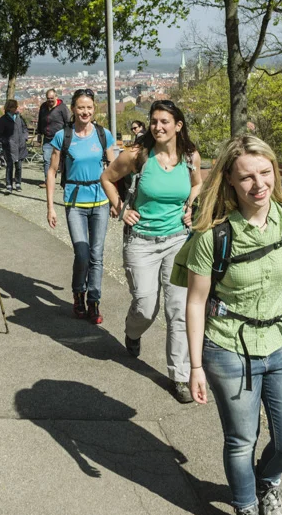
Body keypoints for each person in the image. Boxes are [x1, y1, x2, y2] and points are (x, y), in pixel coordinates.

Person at [183, 135, 282, 515]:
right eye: (246, 177)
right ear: (228, 180)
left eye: (265, 173)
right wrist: (194, 366)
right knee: (241, 440)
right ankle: (245, 511)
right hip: (229, 349)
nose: (258, 184)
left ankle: (267, 481)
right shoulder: (213, 236)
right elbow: (194, 303)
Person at [100, 100, 203, 404]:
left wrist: (190, 205)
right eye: (154, 121)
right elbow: (107, 179)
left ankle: (180, 376)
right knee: (146, 306)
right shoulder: (137, 155)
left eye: (165, 122)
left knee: (178, 311)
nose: (158, 127)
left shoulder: (190, 157)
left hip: (177, 241)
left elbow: (197, 185)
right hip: (142, 241)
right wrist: (120, 208)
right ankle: (133, 333)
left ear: (178, 126)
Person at [46, 89, 116, 323]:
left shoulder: (102, 134)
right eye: (81, 107)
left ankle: (94, 301)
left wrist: (117, 200)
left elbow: (115, 169)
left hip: (101, 202)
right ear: (73, 109)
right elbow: (52, 171)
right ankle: (79, 293)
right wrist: (50, 206)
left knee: (97, 254)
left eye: (89, 107)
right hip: (74, 202)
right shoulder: (63, 136)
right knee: (83, 253)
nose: (85, 112)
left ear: (94, 109)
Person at [36, 88, 72, 180]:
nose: (50, 100)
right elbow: (40, 121)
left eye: (52, 98)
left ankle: (65, 180)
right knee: (47, 160)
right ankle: (48, 180)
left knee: (62, 160)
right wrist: (39, 134)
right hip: (47, 138)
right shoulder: (43, 107)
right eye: (48, 98)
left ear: (56, 97)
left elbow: (68, 122)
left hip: (60, 138)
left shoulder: (62, 108)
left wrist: (68, 136)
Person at [0, 99, 30, 194]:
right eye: (14, 107)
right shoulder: (3, 120)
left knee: (19, 166)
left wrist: (25, 137)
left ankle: (18, 183)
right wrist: (6, 141)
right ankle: (9, 184)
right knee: (10, 166)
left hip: (20, 145)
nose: (16, 108)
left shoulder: (19, 117)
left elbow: (24, 128)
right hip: (9, 147)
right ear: (9, 108)